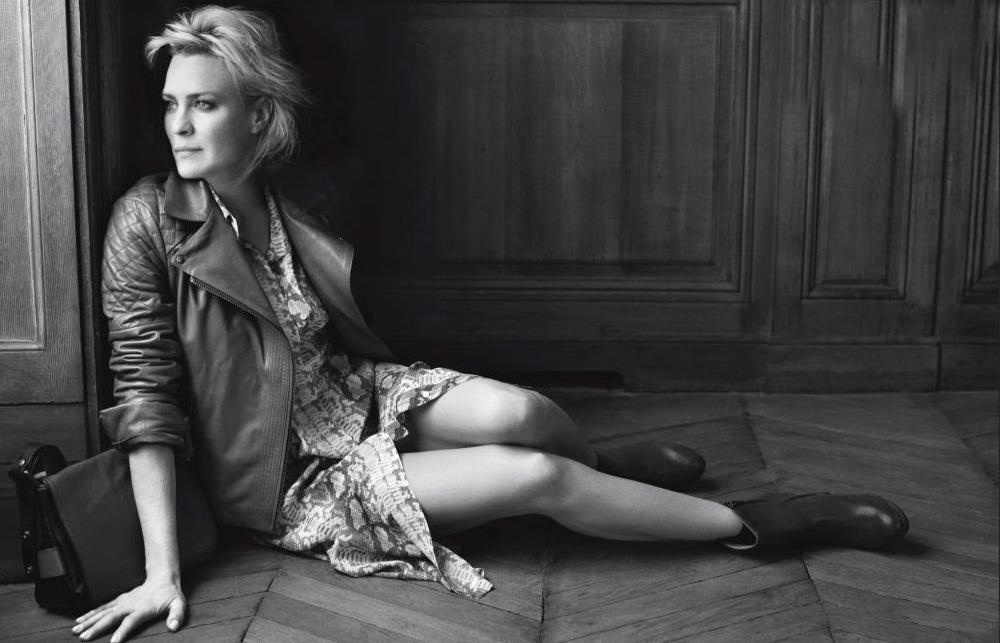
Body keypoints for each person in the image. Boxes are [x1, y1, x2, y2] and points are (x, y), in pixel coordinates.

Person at [72, 6, 909, 642]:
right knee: (535, 476)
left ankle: (606, 475)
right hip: (292, 478)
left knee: (524, 411)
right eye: (172, 103)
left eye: (204, 104)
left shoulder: (287, 194)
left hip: (355, 395)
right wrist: (160, 572)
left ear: (257, 115)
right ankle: (762, 522)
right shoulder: (148, 221)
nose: (179, 125)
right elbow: (146, 401)